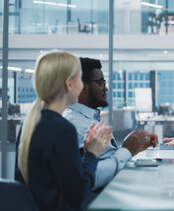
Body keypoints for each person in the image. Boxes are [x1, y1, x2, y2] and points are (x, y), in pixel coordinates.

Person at [16, 51, 111, 210]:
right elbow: (78, 194)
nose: (82, 86)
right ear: (69, 84)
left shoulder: (30, 124)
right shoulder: (63, 129)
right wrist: (91, 154)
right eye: (80, 79)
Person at [64, 57, 158, 190]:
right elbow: (90, 176)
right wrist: (127, 150)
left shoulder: (88, 117)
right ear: (82, 87)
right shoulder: (74, 124)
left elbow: (105, 157)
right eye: (100, 83)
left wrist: (133, 145)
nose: (106, 88)